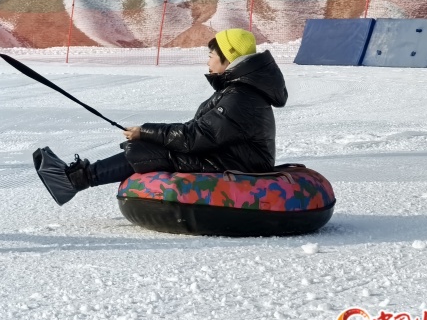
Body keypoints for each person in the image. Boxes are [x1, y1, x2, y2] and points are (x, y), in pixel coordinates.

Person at [34, 28, 288, 206]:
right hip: (227, 157)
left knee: (145, 151)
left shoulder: (240, 96)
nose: (208, 63)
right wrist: (149, 133)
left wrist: (146, 132)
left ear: (228, 58)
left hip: (237, 165)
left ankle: (74, 180)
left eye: (211, 56)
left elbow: (197, 137)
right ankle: (77, 177)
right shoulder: (238, 91)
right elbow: (200, 131)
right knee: (149, 145)